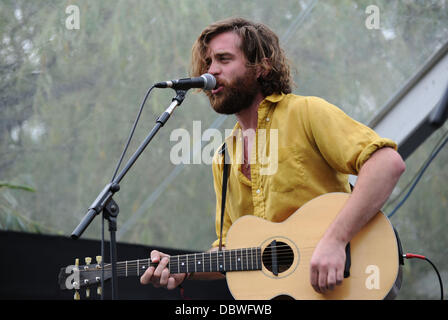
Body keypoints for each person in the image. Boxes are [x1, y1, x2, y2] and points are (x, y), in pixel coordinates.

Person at [140, 17, 405, 297]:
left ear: (262, 66)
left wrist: (336, 240)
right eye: (207, 63)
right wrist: (185, 269)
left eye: (224, 59)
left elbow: (387, 164)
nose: (211, 72)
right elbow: (233, 250)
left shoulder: (306, 113)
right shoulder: (223, 157)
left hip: (348, 281)